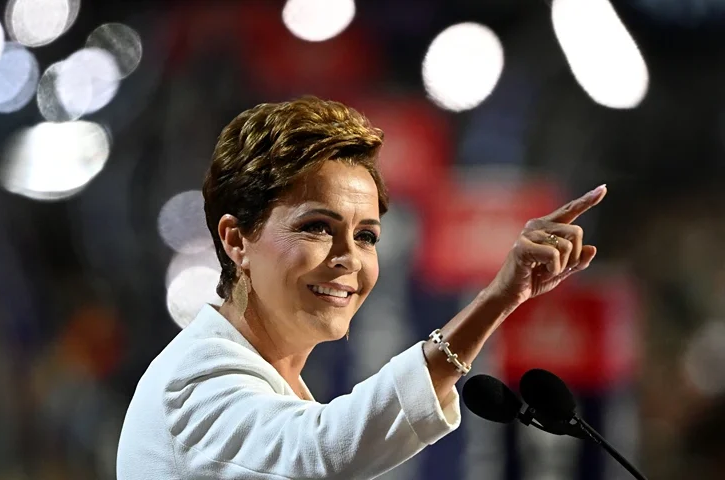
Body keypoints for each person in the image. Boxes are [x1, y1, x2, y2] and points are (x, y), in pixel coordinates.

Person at [116, 96, 606, 479]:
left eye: (366, 235)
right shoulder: (194, 386)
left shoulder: (271, 387)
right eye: (316, 227)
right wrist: (497, 299)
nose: (349, 257)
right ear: (237, 239)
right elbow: (324, 450)